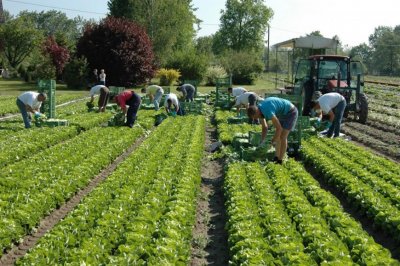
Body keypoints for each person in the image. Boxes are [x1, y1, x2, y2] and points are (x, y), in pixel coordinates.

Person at [247, 97, 298, 164]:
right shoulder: (260, 110)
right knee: (278, 136)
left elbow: (279, 128)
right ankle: (276, 157)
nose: (256, 119)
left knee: (283, 137)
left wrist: (272, 142)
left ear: (256, 112)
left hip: (291, 112)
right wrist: (262, 141)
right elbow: (265, 127)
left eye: (255, 117)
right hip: (282, 113)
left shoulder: (267, 111)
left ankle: (280, 160)